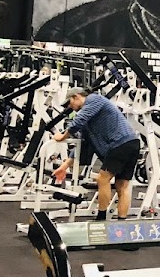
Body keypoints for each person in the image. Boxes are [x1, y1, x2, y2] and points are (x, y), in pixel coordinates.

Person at [53, 88, 142, 221]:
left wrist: (62, 136)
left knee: (103, 179)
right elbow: (83, 145)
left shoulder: (94, 99)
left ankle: (101, 218)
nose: (70, 107)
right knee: (122, 185)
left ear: (77, 96)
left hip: (121, 144)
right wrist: (64, 166)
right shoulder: (89, 120)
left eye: (70, 102)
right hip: (130, 143)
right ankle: (122, 222)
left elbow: (78, 121)